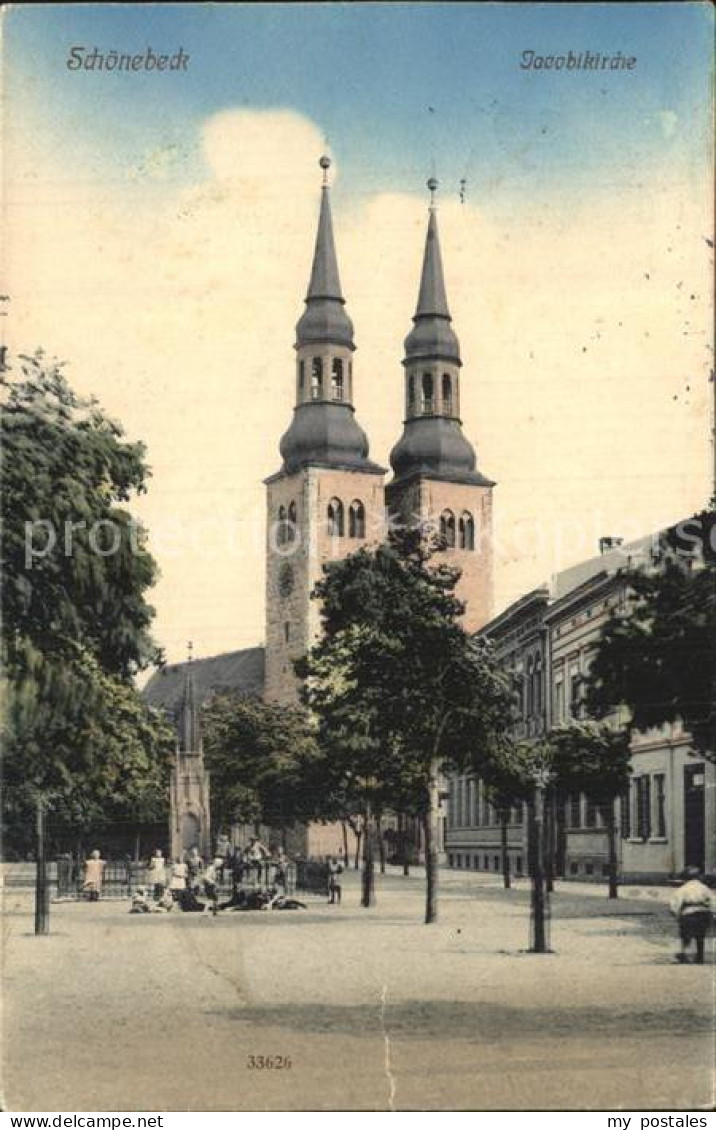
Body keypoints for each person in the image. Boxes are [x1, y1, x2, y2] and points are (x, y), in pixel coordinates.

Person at [671, 867, 713, 964]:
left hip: (688, 913)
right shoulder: (704, 888)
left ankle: (685, 954)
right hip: (703, 912)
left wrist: (675, 912)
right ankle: (700, 956)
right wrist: (713, 912)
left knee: (686, 934)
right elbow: (712, 900)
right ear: (698, 877)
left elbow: (676, 902)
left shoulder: (683, 889)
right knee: (700, 935)